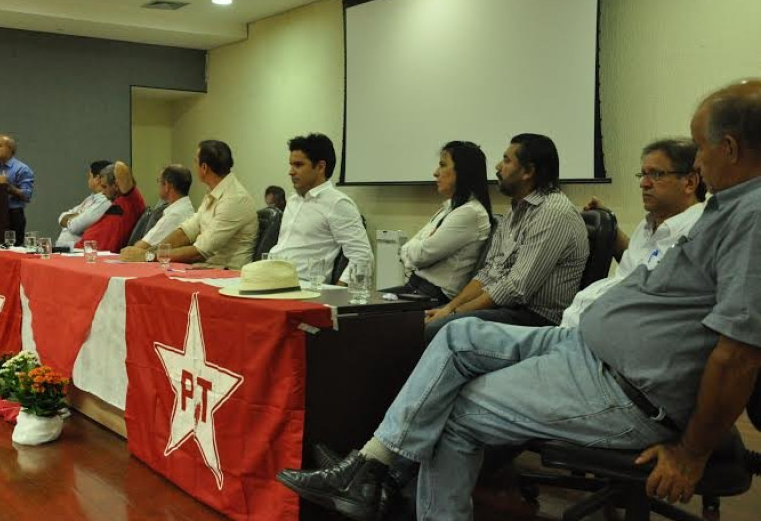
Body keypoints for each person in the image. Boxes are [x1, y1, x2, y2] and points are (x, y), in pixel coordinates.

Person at [276, 79, 761, 521]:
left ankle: (378, 478)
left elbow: (738, 355)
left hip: (625, 389)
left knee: (453, 410)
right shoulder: (726, 204)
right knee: (458, 335)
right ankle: (373, 466)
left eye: (699, 148)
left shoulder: (752, 217)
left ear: (731, 148)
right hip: (587, 349)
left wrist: (691, 453)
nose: (695, 163)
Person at [423, 133, 588, 341]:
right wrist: (449, 308)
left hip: (538, 320)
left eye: (507, 160)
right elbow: (489, 273)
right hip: (510, 310)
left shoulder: (553, 213)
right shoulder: (515, 211)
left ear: (528, 171)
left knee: (440, 330)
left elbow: (516, 288)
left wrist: (456, 313)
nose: (498, 167)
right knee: (427, 322)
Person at [561, 138, 706, 327]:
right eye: (643, 174)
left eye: (656, 174)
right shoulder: (648, 225)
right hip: (578, 327)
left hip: (608, 340)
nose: (643, 184)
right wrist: (610, 225)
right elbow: (640, 265)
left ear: (690, 182)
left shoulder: (698, 233)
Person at [382, 141, 493, 304]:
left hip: (434, 296)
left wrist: (416, 247)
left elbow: (419, 256)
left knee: (362, 315)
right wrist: (416, 247)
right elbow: (409, 249)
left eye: (442, 165)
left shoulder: (470, 213)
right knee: (359, 305)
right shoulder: (450, 207)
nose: (435, 173)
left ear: (462, 171)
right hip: (415, 288)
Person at [268, 133, 373, 281]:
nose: (291, 172)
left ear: (320, 167)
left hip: (303, 288)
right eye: (291, 165)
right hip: (271, 278)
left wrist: (338, 294)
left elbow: (362, 256)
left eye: (298, 165)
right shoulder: (293, 200)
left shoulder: (337, 203)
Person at [142, 140, 257, 269]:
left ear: (204, 167)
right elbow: (186, 231)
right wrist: (153, 251)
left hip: (227, 276)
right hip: (206, 269)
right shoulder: (213, 192)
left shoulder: (235, 199)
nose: (194, 165)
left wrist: (150, 256)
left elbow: (200, 252)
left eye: (195, 161)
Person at [119, 164, 195, 259]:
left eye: (159, 181)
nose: (158, 185)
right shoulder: (186, 209)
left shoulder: (174, 215)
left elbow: (139, 248)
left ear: (167, 186)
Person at [75, 161, 146, 253]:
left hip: (99, 255)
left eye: (105, 187)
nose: (103, 192)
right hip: (82, 250)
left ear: (116, 185)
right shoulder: (116, 202)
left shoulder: (131, 199)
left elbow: (121, 167)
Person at [0, 134, 34, 245]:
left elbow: (27, 196)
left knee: (13, 251)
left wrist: (8, 186)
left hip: (13, 215)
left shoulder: (22, 169)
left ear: (10, 149)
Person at [55, 160, 113, 249]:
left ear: (97, 179)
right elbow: (61, 217)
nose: (88, 180)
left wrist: (74, 217)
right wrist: (80, 215)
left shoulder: (105, 201)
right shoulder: (90, 198)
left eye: (89, 177)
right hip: (65, 250)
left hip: (78, 252)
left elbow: (75, 226)